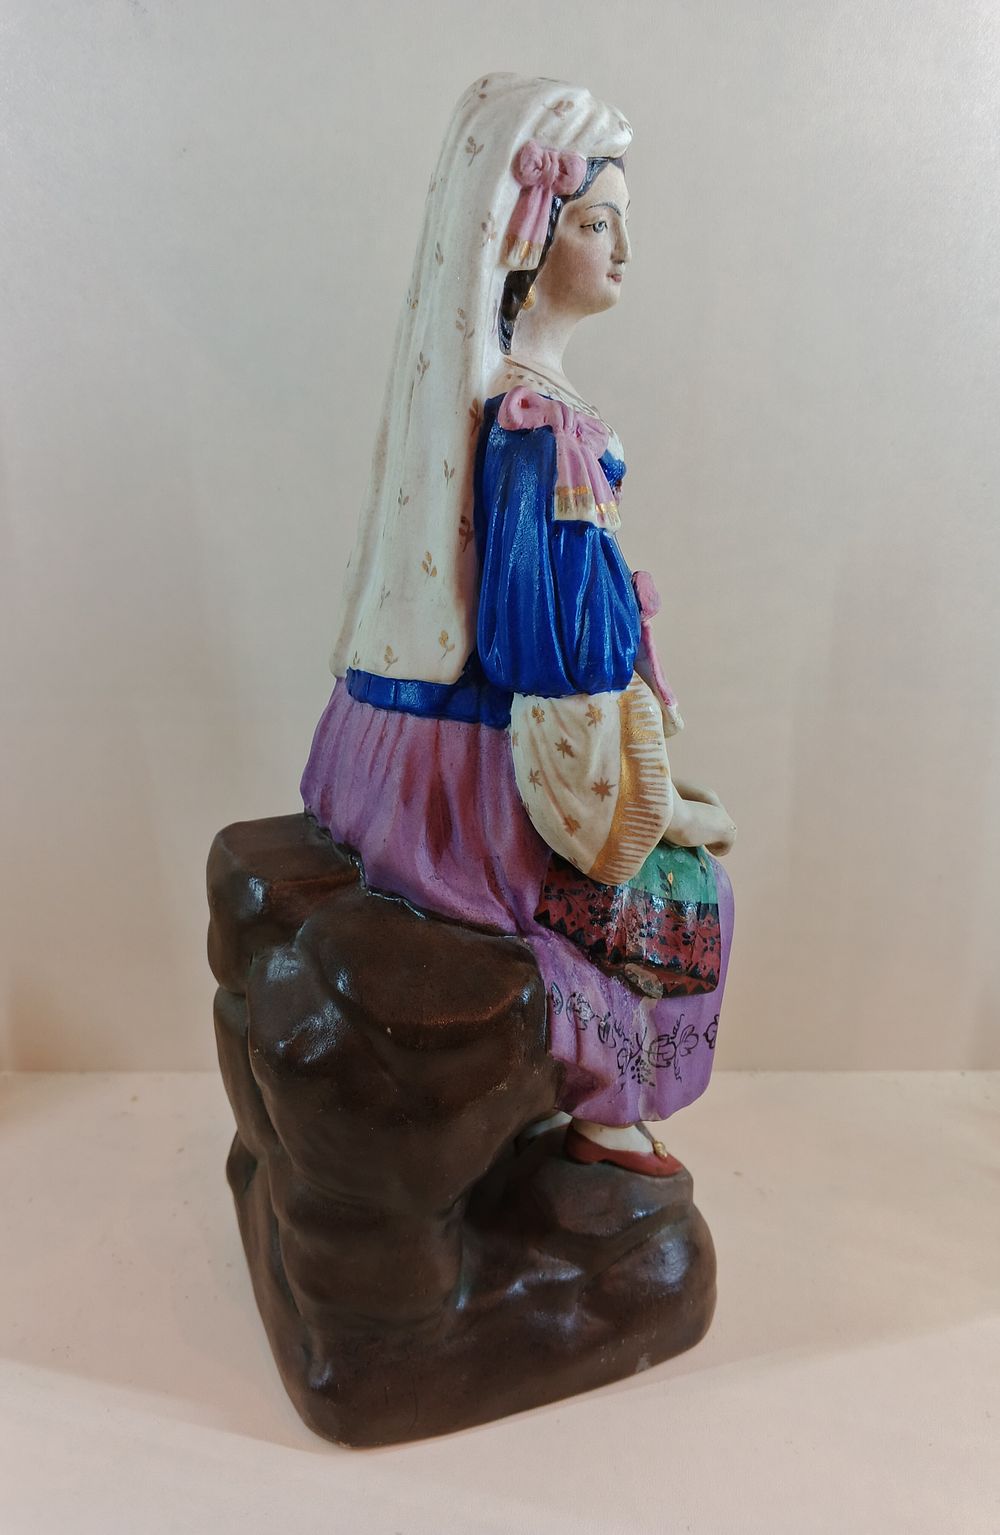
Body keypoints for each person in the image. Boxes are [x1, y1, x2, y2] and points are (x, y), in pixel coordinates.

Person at [301, 73, 736, 1177]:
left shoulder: (541, 399)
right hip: (489, 775)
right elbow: (539, 643)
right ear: (528, 235)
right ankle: (605, 1101)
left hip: (519, 727)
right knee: (687, 893)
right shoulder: (533, 422)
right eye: (595, 223)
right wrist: (615, 726)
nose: (623, 250)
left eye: (620, 224)